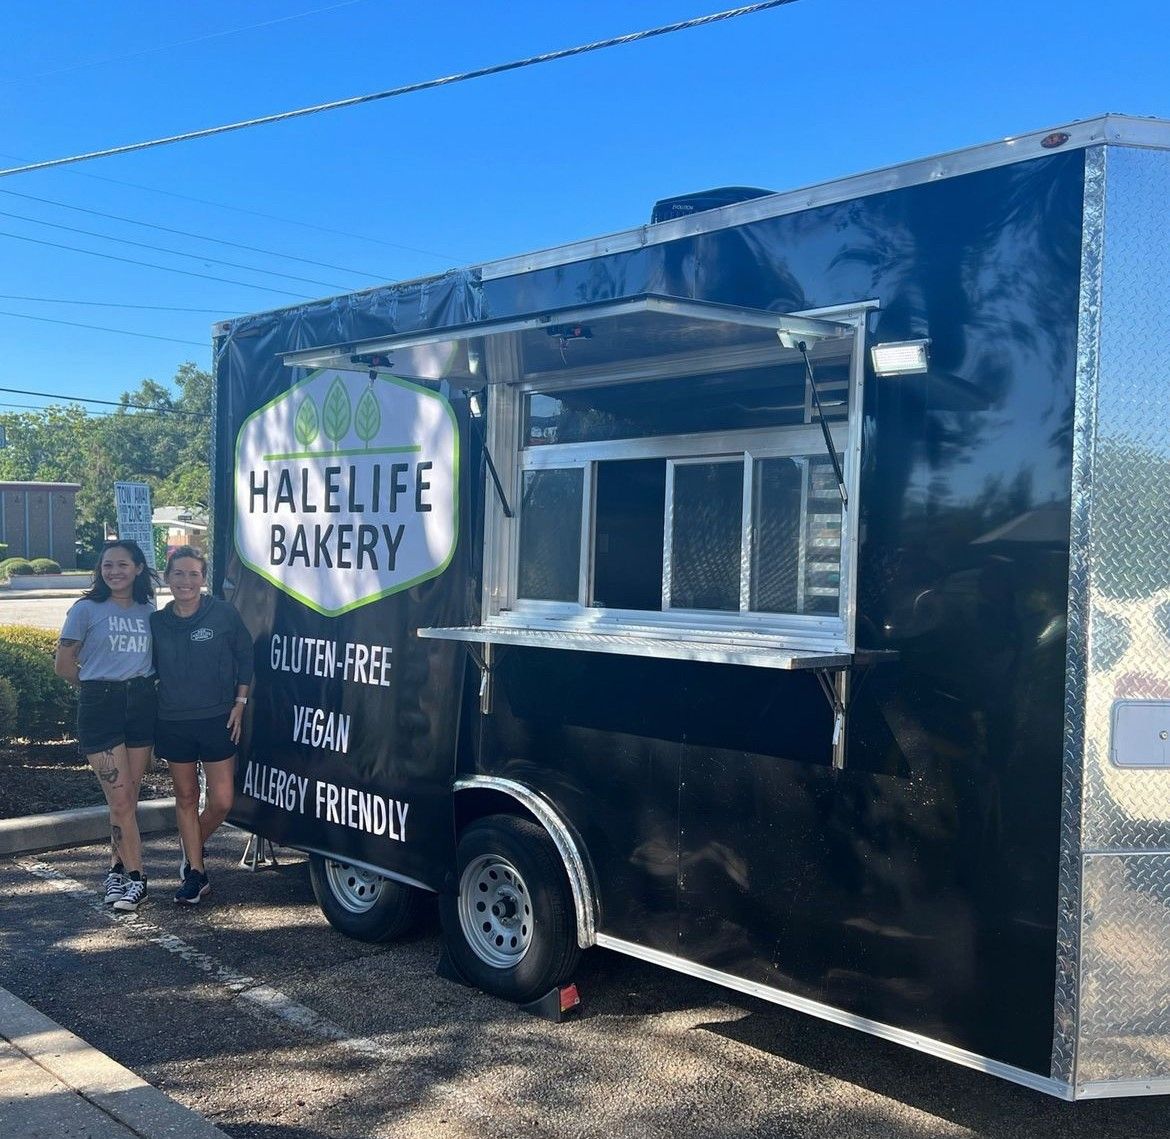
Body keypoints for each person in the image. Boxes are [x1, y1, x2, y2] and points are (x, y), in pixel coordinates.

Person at [55, 539, 159, 912]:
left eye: (122, 565)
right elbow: (64, 665)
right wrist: (97, 690)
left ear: (138, 568)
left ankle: (116, 868)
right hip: (101, 704)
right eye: (107, 566)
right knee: (119, 798)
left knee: (128, 798)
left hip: (142, 703)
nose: (114, 571)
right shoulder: (85, 609)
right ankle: (137, 879)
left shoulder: (149, 608)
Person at [151, 546, 253, 904]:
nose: (186, 581)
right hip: (173, 722)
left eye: (194, 574)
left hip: (217, 719)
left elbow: (245, 657)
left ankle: (191, 848)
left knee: (222, 800)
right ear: (167, 578)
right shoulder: (157, 622)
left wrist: (240, 703)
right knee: (186, 797)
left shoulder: (222, 614)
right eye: (178, 574)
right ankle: (196, 873)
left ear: (203, 578)